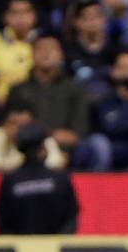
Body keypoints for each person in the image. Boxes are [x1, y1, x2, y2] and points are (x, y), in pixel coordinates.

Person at [5, 32, 90, 162]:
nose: (46, 53)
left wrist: (48, 137)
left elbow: (78, 134)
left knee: (96, 144)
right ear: (32, 54)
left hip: (69, 151)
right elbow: (9, 128)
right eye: (40, 48)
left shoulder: (74, 89)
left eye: (51, 48)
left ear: (61, 54)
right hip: (27, 150)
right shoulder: (18, 89)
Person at [0, 122, 79, 234]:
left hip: (20, 244)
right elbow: (71, 219)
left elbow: (2, 222)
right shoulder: (60, 179)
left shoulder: (10, 181)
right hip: (55, 243)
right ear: (43, 148)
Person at [0, 102, 65, 171]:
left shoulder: (41, 137)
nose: (20, 129)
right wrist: (29, 164)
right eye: (14, 124)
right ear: (4, 124)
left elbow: (57, 162)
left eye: (25, 125)